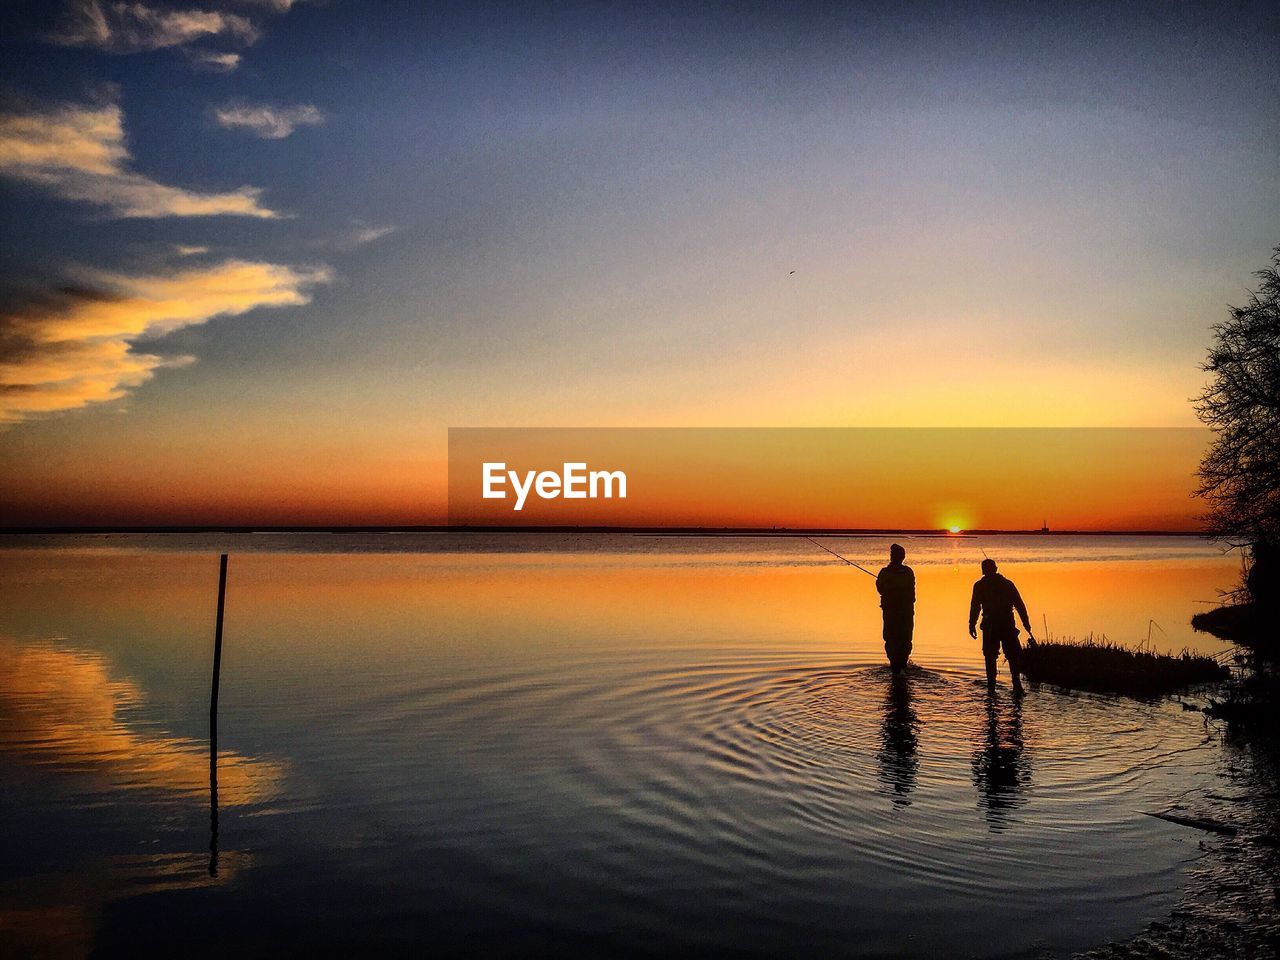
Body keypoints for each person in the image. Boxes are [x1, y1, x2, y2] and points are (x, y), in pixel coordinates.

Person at [968, 558, 1034, 693]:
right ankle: (1015, 684)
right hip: (1005, 625)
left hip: (993, 626)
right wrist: (1026, 623)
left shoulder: (980, 585)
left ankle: (992, 687)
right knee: (1011, 655)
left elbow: (975, 607)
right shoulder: (1007, 584)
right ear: (996, 569)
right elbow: (1020, 605)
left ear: (983, 571)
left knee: (991, 656)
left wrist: (972, 624)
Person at [876, 544, 915, 674]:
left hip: (891, 613)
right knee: (905, 638)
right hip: (906, 612)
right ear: (903, 557)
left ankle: (895, 665)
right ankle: (902, 664)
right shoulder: (909, 572)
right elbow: (912, 592)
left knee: (891, 638)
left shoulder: (884, 572)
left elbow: (880, 588)